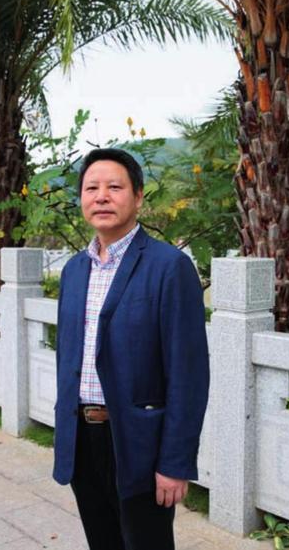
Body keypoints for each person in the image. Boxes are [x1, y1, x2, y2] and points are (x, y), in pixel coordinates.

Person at [53, 147, 210, 550]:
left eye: (114, 187)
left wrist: (175, 462)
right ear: (81, 198)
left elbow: (188, 374)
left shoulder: (168, 267)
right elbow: (67, 358)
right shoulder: (74, 270)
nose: (102, 197)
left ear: (138, 197)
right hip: (82, 441)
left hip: (139, 443)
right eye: (91, 188)